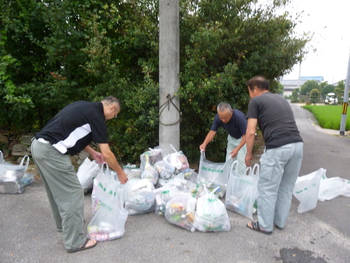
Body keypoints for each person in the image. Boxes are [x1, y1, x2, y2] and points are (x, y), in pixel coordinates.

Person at [30, 96, 128, 253]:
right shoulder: (98, 117)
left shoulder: (83, 106)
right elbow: (107, 153)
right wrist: (120, 172)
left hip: (38, 146)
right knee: (73, 192)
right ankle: (75, 241)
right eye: (115, 115)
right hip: (51, 152)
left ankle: (65, 226)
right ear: (112, 108)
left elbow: (71, 132)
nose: (113, 118)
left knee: (56, 191)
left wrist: (92, 152)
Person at [245, 76, 303, 235]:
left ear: (255, 89)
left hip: (278, 147)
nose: (249, 95)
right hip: (298, 145)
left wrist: (248, 154)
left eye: (249, 91)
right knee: (286, 187)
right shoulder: (282, 99)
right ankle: (280, 222)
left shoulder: (256, 102)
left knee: (267, 188)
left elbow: (250, 132)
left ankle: (264, 225)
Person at [199, 102, 247, 170]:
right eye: (221, 118)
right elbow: (212, 132)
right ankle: (229, 178)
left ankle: (240, 179)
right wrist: (204, 143)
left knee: (241, 162)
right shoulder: (218, 117)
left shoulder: (239, 117)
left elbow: (246, 136)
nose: (223, 120)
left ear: (231, 113)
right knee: (229, 160)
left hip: (243, 139)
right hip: (231, 138)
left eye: (225, 118)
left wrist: (237, 149)